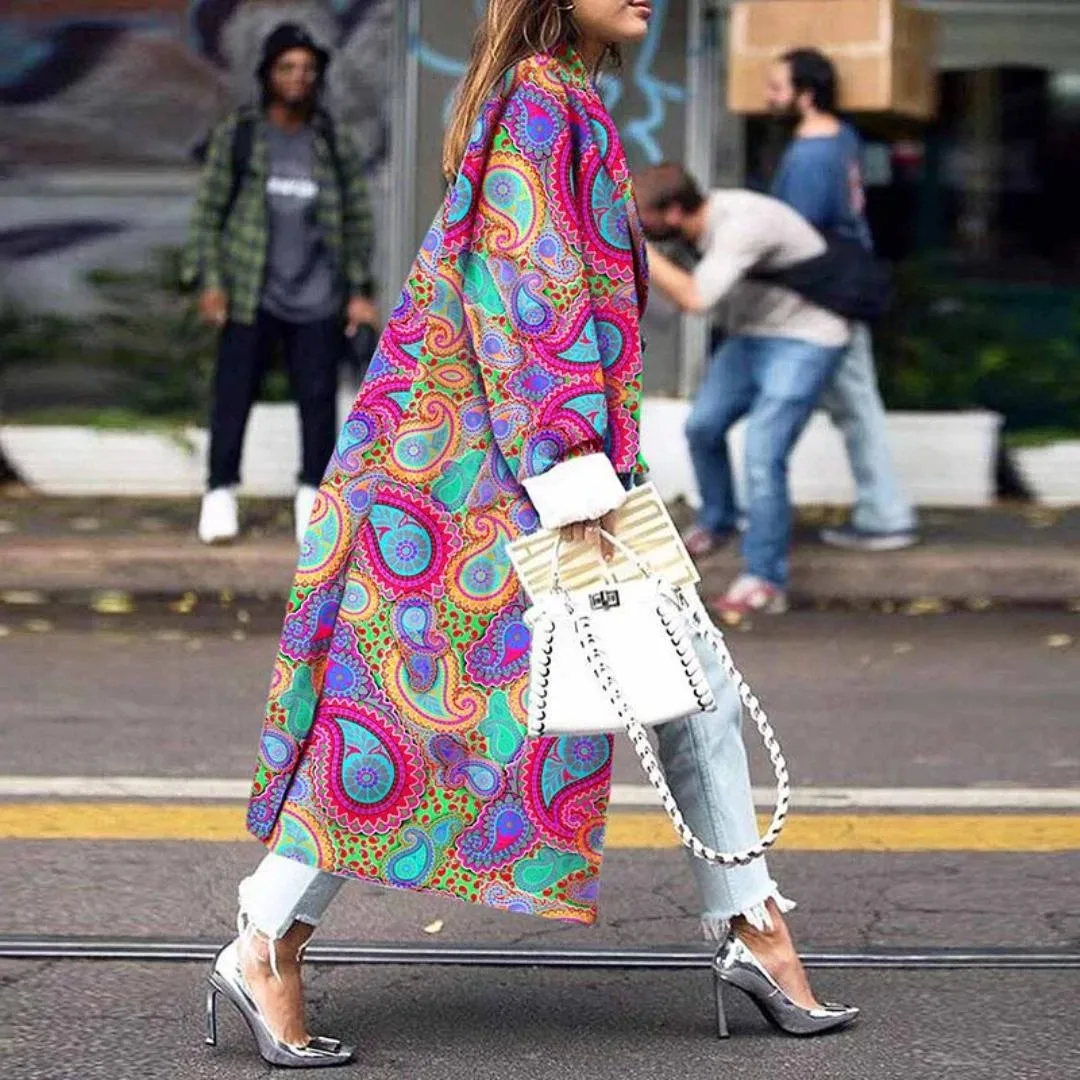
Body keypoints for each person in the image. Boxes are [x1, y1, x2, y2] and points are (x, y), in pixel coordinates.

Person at [204, 3, 856, 1068]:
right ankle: (265, 937)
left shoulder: (562, 98)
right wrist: (568, 463)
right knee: (422, 716)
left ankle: (752, 924)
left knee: (674, 686)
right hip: (499, 475)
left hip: (521, 461)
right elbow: (526, 286)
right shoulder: (543, 102)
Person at [183, 22, 379, 547]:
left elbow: (357, 221)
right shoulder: (242, 135)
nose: (298, 78)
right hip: (251, 293)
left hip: (318, 296)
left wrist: (359, 292)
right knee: (233, 395)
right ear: (268, 74)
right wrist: (211, 282)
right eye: (288, 67)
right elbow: (209, 213)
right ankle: (220, 492)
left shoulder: (331, 140)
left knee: (317, 401)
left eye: (308, 70)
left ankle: (311, 496)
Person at [637, 164, 850, 616]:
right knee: (703, 427)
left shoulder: (743, 224)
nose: (640, 227)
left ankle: (765, 579)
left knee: (762, 451)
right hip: (753, 334)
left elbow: (695, 298)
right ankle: (717, 522)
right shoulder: (695, 229)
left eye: (644, 220)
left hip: (807, 337)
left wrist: (640, 251)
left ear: (674, 212)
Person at [765, 47, 918, 552]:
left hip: (826, 294)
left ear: (806, 95)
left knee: (850, 405)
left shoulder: (811, 155)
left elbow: (794, 233)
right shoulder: (843, 135)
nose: (769, 97)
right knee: (843, 403)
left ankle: (885, 514)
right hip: (844, 285)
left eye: (778, 88)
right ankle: (878, 510)